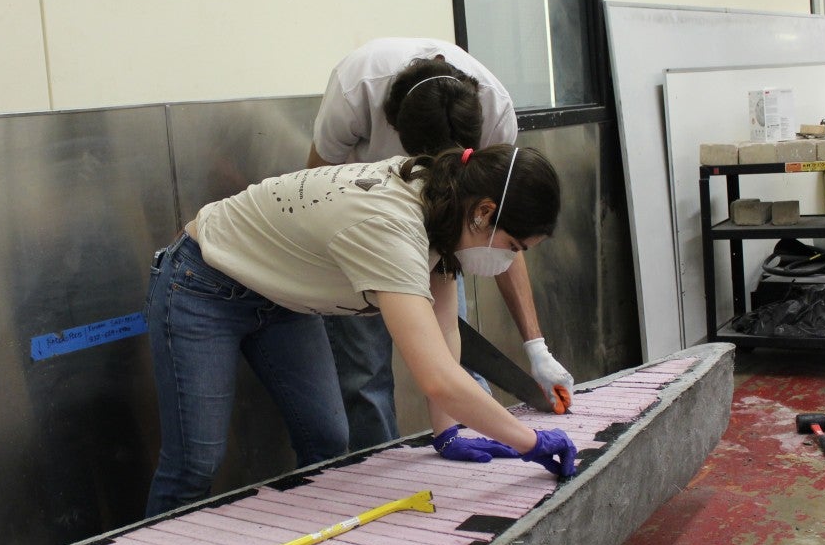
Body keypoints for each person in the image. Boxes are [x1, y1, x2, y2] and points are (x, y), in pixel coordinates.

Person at [143, 144, 578, 517]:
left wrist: (447, 433)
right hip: (203, 285)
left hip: (281, 299)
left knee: (328, 439)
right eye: (513, 248)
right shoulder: (389, 225)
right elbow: (436, 378)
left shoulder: (446, 202)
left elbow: (445, 334)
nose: (508, 260)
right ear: (484, 213)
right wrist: (531, 442)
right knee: (195, 463)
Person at [307, 37, 573, 450]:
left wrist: (535, 346)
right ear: (395, 130)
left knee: (456, 358)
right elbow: (315, 190)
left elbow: (507, 232)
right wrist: (531, 444)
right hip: (357, 245)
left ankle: (469, 444)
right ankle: (383, 483)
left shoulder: (495, 111)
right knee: (365, 379)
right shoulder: (355, 88)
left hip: (435, 237)